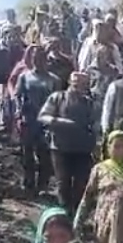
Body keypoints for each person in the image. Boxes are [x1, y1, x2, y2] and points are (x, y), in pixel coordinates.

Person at [39, 71, 97, 215]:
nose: (78, 88)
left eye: (83, 85)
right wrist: (60, 122)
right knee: (63, 183)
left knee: (80, 185)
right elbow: (43, 116)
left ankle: (77, 217)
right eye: (76, 84)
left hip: (82, 150)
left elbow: (95, 123)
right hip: (60, 148)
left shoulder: (89, 103)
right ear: (70, 82)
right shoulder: (57, 98)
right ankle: (64, 215)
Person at [15, 46, 60, 194]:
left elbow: (58, 101)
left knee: (44, 154)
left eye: (40, 58)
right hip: (29, 119)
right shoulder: (24, 77)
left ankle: (43, 184)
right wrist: (18, 115)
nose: (37, 61)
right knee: (27, 153)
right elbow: (18, 97)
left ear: (45, 59)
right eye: (34, 58)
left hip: (46, 121)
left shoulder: (54, 80)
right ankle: (28, 182)